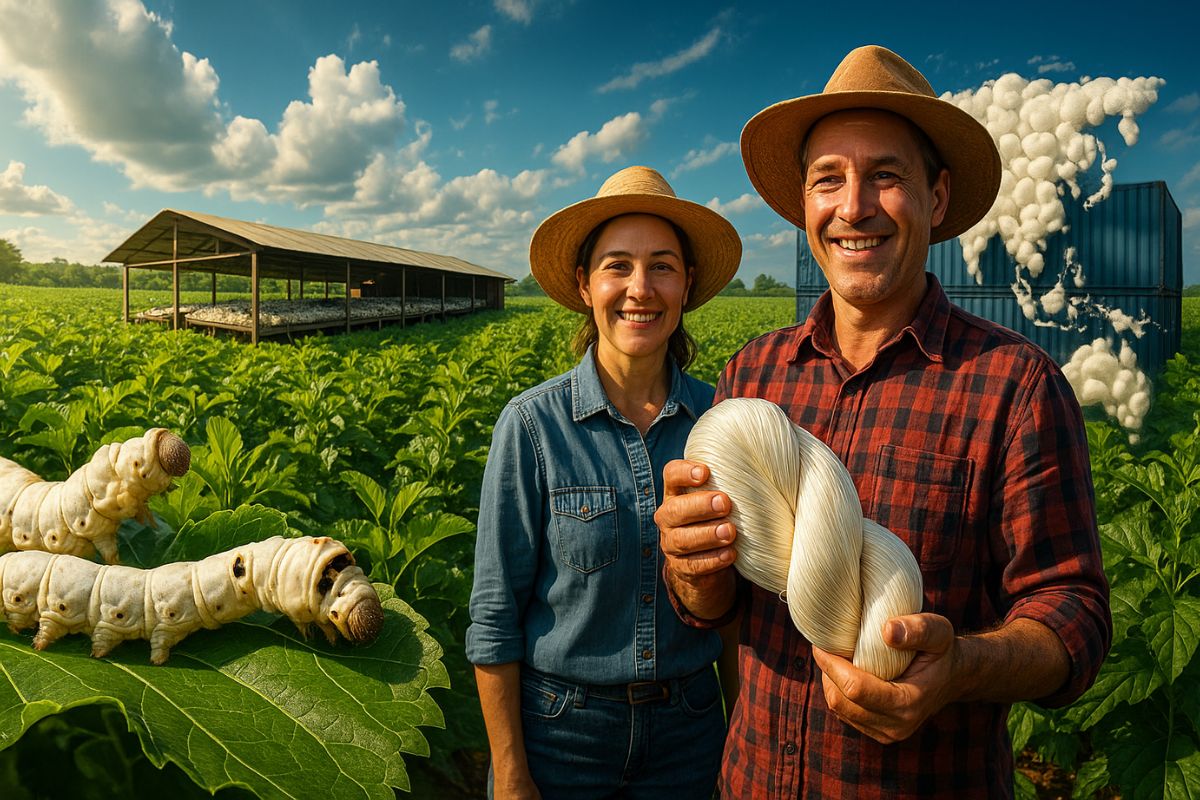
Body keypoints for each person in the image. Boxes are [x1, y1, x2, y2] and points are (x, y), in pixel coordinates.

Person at [655, 45, 1112, 798]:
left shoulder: (1016, 386)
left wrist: (961, 666)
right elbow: (719, 606)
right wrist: (691, 566)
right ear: (805, 205)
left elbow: (1076, 614)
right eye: (827, 179)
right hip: (753, 781)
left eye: (886, 176)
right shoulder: (751, 377)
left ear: (935, 199)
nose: (854, 206)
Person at [466, 165, 742, 799]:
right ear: (585, 285)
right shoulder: (532, 426)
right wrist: (509, 774)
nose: (640, 288)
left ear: (688, 283)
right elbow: (494, 614)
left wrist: (740, 737)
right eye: (618, 266)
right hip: (562, 734)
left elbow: (735, 614)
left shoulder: (723, 423)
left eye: (662, 266)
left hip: (691, 733)